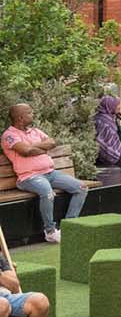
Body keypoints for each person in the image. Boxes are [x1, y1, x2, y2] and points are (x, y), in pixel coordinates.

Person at [3, 103, 86, 243]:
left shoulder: (35, 131)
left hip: (50, 173)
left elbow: (52, 142)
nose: (33, 114)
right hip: (29, 177)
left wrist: (33, 147)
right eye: (30, 112)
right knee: (47, 192)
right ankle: (50, 231)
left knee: (81, 188)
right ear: (20, 117)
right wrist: (40, 148)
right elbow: (25, 151)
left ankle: (68, 226)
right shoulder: (9, 135)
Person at [0, 240, 49, 317]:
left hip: (6, 297)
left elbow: (15, 286)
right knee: (2, 305)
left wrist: (1, 275)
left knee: (41, 301)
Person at [94, 93, 121, 175]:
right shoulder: (104, 123)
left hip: (115, 154)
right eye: (117, 105)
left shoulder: (108, 117)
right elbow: (106, 147)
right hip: (110, 157)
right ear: (109, 106)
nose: (119, 106)